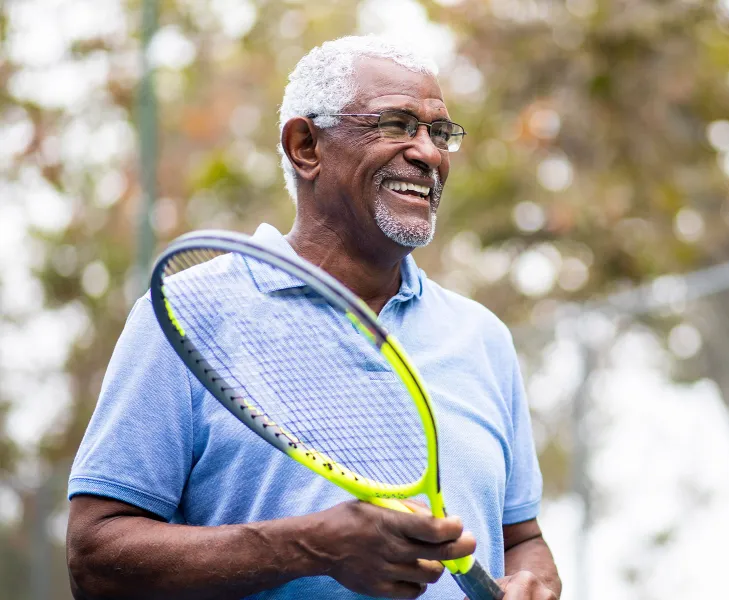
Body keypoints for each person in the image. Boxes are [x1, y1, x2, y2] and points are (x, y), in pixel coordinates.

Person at [66, 36, 561, 600]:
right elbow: (94, 560)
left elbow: (522, 536)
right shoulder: (185, 316)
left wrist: (533, 582)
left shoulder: (482, 337)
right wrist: (310, 546)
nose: (429, 154)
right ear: (306, 146)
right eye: (397, 125)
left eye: (440, 133)